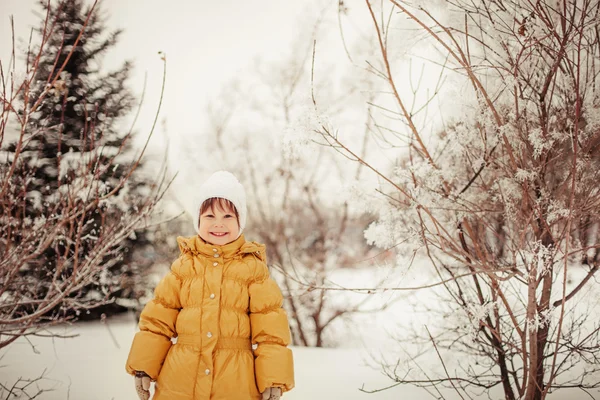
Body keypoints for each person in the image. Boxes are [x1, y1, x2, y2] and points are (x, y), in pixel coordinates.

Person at [125, 171, 295, 400]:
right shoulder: (183, 267)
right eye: (209, 216)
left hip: (235, 382)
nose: (218, 224)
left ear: (240, 221)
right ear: (198, 220)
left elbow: (271, 331)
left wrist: (273, 377)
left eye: (227, 217)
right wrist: (144, 365)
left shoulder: (254, 270)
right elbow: (158, 321)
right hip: (180, 379)